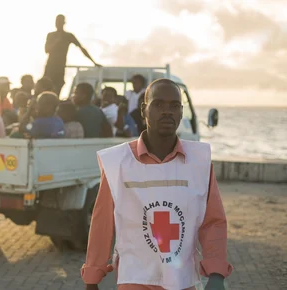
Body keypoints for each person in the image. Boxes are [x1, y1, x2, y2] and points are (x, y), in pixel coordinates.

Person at [81, 79, 232, 290]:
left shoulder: (199, 161)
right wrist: (92, 277)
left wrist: (216, 273)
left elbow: (213, 221)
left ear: (181, 112)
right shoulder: (118, 162)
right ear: (144, 110)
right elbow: (102, 223)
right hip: (134, 279)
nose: (167, 111)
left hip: (183, 280)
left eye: (174, 106)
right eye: (159, 104)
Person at [44, 14, 100, 96]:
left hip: (60, 67)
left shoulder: (68, 36)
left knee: (58, 86)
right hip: (50, 66)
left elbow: (81, 48)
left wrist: (93, 62)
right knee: (46, 86)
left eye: (59, 22)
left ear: (63, 23)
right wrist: (56, 41)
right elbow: (47, 50)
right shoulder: (51, 35)